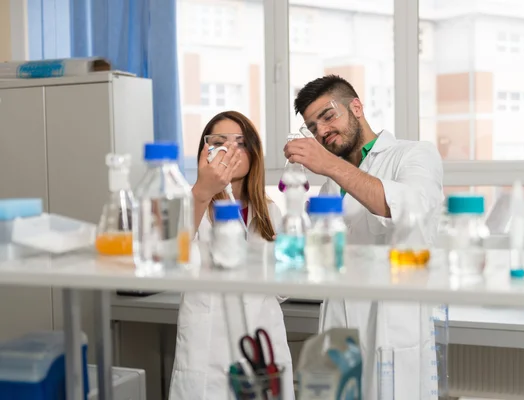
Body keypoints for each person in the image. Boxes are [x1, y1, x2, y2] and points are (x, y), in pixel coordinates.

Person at [284, 75, 444, 399]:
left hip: (392, 325)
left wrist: (329, 165)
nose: (323, 132)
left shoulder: (414, 155)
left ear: (356, 107)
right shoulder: (331, 185)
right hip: (339, 331)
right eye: (313, 128)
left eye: (328, 117)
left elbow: (406, 206)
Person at [169, 111, 294, 400]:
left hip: (262, 345)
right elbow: (174, 261)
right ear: (205, 153)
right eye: (220, 142)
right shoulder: (191, 204)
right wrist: (201, 193)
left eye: (240, 142)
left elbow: (283, 290)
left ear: (254, 153)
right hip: (207, 350)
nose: (231, 149)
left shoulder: (270, 211)